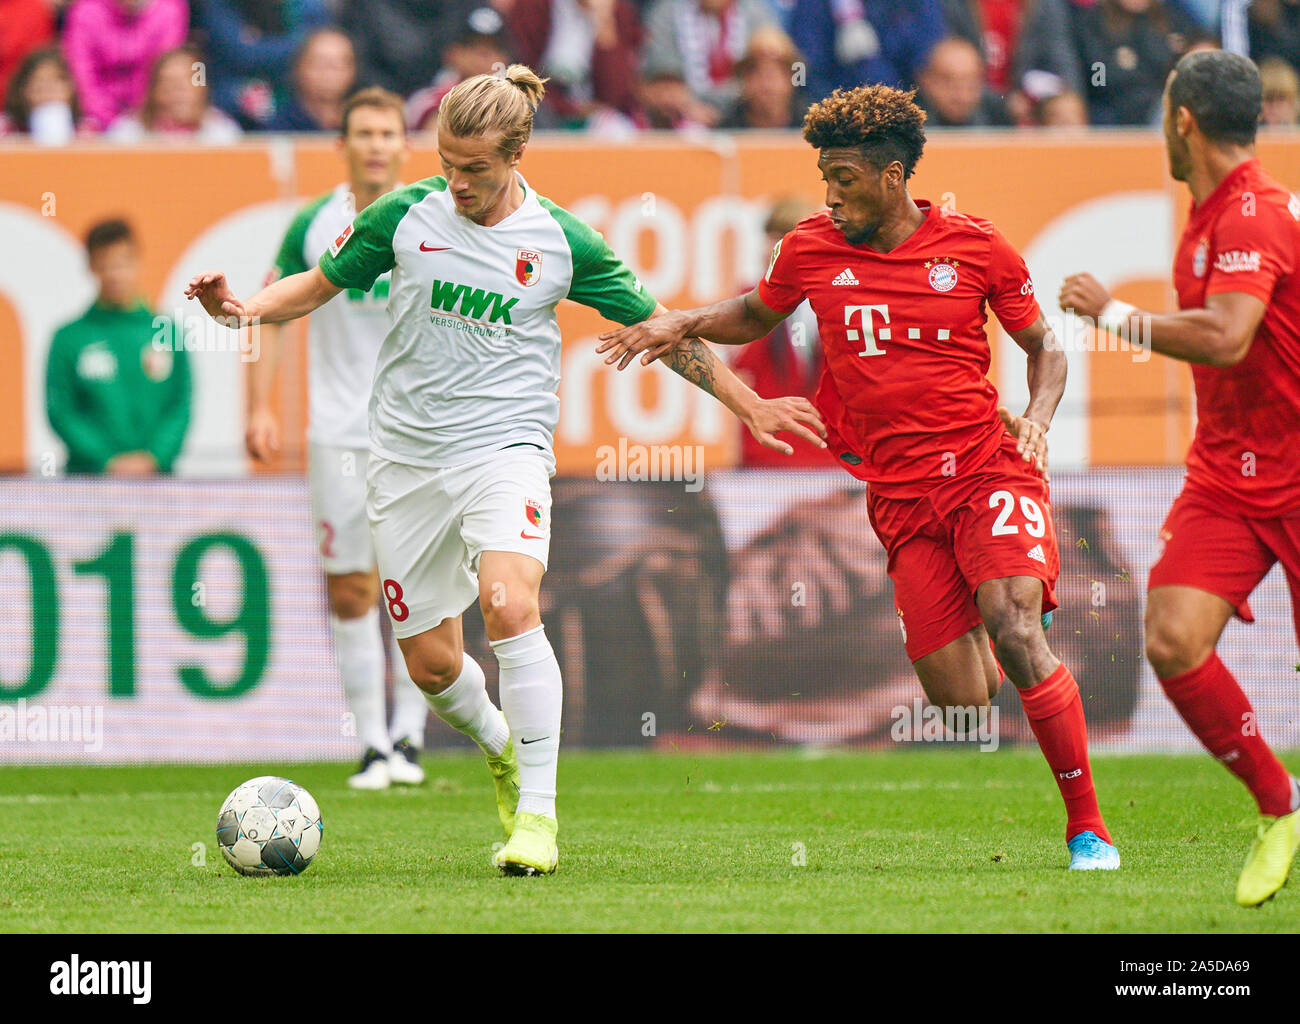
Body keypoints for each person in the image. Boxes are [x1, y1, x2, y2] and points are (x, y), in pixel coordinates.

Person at [187, 65, 825, 875]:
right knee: (432, 665)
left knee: (511, 602)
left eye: (475, 168)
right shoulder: (405, 214)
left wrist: (749, 404)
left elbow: (667, 330)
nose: (455, 181)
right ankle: (497, 743)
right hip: (405, 458)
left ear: (517, 153)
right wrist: (242, 308)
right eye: (448, 162)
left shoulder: (563, 243)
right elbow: (314, 287)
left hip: (505, 449)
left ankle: (538, 819)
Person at [599, 83, 1121, 870]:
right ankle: (1009, 598)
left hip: (987, 470)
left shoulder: (978, 248)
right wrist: (684, 320)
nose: (830, 195)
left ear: (891, 176)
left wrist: (1039, 421)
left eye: (843, 177)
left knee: (1014, 629)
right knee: (964, 704)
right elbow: (755, 313)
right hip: (899, 498)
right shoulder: (810, 247)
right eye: (825, 178)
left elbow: (1046, 347)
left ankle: (1088, 828)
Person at [1060, 50, 1300, 906]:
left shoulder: (1254, 216)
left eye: (1163, 112)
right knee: (1168, 636)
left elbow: (1230, 337)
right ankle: (1282, 805)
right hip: (1229, 476)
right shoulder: (1204, 213)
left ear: (1184, 121)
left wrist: (1112, 314)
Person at [247, 87, 430, 789]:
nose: (377, 144)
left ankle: (412, 738)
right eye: (364, 133)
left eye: (389, 132)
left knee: (414, 588)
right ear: (344, 144)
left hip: (415, 433)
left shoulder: (429, 218)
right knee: (350, 590)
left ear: (404, 146)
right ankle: (373, 744)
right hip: (337, 433)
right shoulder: (313, 225)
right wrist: (261, 408)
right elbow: (270, 310)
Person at [48, 219, 191, 476]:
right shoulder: (69, 338)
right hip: (88, 484)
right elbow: (61, 411)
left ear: (138, 261)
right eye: (105, 264)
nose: (115, 274)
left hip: (157, 484)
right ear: (91, 266)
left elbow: (181, 404)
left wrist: (154, 458)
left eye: (122, 262)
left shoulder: (166, 331)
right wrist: (106, 461)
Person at [732, 196, 829, 467]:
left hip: (829, 462)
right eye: (770, 240)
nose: (771, 251)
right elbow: (739, 372)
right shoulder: (746, 304)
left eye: (784, 241)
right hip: (766, 461)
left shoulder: (839, 302)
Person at [62, 0, 189, 132]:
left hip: (150, 115)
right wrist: (108, 121)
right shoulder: (84, 11)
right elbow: (82, 74)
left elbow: (165, 73)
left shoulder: (170, 9)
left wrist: (138, 118)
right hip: (93, 118)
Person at [108, 45, 243, 142]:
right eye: (169, 82)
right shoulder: (127, 134)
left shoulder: (223, 134)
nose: (178, 92)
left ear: (203, 88)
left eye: (187, 81)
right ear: (154, 89)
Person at [717, 25, 810, 130]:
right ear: (745, 79)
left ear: (791, 79)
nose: (766, 85)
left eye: (774, 75)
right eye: (757, 74)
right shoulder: (728, 127)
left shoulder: (811, 125)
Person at [265, 28, 356, 133]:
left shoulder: (363, 126)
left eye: (339, 64)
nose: (330, 72)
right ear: (299, 67)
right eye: (321, 63)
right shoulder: (277, 128)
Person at [914, 36, 1013, 127]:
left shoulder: (997, 117)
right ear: (927, 81)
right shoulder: (906, 123)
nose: (961, 95)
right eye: (949, 84)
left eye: (970, 85)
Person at [0, 47, 89, 142]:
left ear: (72, 88)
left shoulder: (87, 132)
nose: (48, 91)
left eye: (56, 81)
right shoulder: (6, 130)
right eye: (39, 82)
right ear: (22, 89)